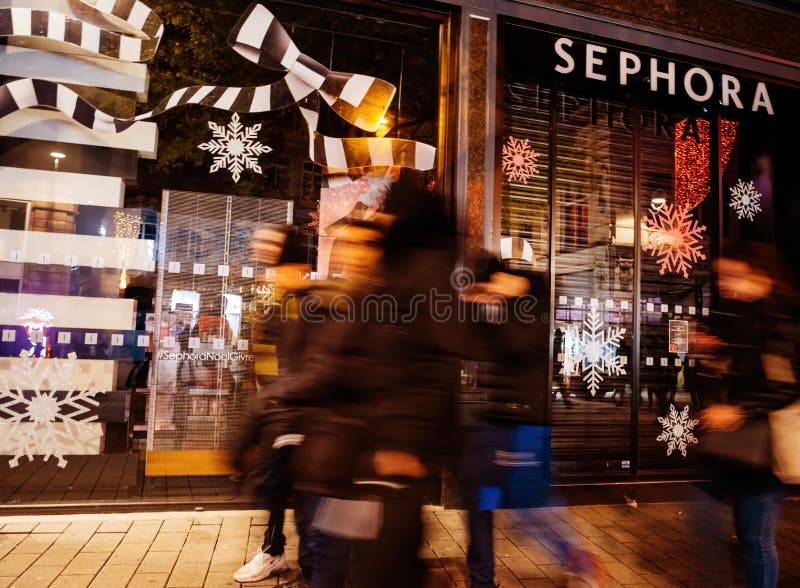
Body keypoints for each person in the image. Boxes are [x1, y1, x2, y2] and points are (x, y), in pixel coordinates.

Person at [697, 241, 799, 588]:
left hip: (766, 450)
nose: (723, 284)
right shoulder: (738, 313)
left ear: (755, 274)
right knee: (733, 530)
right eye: (720, 276)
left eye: (730, 275)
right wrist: (709, 354)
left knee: (755, 538)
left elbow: (785, 387)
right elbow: (724, 369)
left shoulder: (779, 317)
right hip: (738, 447)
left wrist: (736, 410)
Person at [231, 225, 313, 584]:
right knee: (277, 489)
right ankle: (277, 552)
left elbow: (302, 367)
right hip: (275, 415)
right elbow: (265, 362)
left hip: (293, 417)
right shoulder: (277, 304)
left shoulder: (308, 307)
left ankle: (294, 559)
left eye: (275, 258)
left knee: (294, 492)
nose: (268, 266)